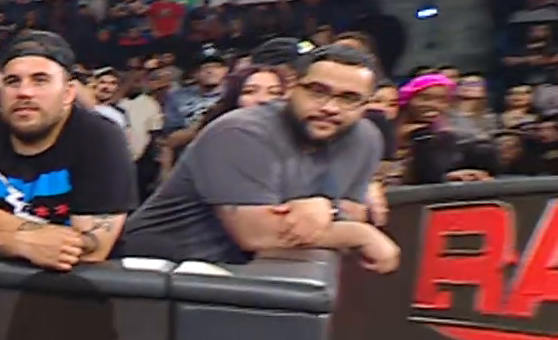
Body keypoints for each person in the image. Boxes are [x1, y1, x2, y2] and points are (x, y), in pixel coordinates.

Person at [117, 43, 400, 270]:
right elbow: (258, 234)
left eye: (349, 98)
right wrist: (359, 235)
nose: (330, 107)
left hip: (242, 274)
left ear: (366, 104)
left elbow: (352, 212)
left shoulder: (365, 139)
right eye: (317, 91)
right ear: (291, 87)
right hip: (150, 272)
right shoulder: (240, 132)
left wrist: (328, 209)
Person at [0, 31, 138, 272]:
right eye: (13, 81)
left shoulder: (100, 137)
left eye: (40, 80)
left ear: (68, 93)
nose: (25, 92)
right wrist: (18, 244)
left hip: (76, 288)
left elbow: (93, 250)